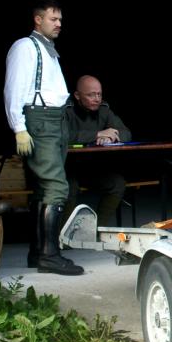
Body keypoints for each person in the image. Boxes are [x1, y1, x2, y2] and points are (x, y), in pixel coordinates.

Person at [3, 0, 84, 275]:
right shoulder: (25, 47)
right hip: (40, 121)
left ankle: (38, 253)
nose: (59, 24)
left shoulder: (49, 50)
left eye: (60, 19)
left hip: (55, 121)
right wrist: (19, 127)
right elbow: (13, 89)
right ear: (38, 20)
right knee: (57, 188)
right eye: (54, 19)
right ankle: (50, 256)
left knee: (44, 189)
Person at [65, 75, 133, 229]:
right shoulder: (66, 110)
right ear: (77, 95)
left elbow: (126, 133)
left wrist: (111, 138)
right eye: (90, 95)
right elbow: (63, 136)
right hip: (67, 168)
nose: (96, 98)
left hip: (92, 168)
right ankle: (63, 236)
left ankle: (97, 230)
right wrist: (97, 135)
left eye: (99, 94)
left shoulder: (104, 110)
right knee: (69, 188)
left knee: (117, 184)